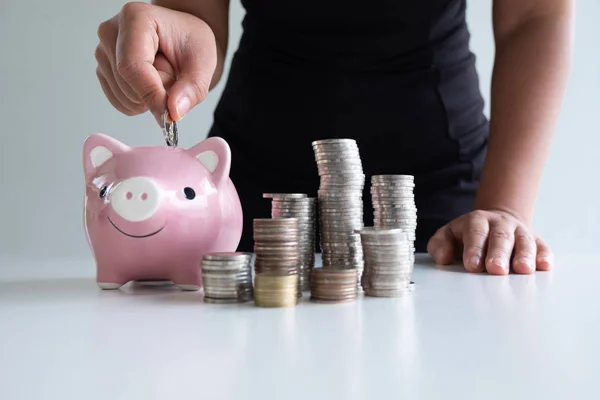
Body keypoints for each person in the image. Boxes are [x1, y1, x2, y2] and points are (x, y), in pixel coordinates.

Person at [94, 0, 573, 275]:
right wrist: (173, 36)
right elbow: (194, 15)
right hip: (255, 195)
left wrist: (506, 208)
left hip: (444, 198)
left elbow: (535, 16)